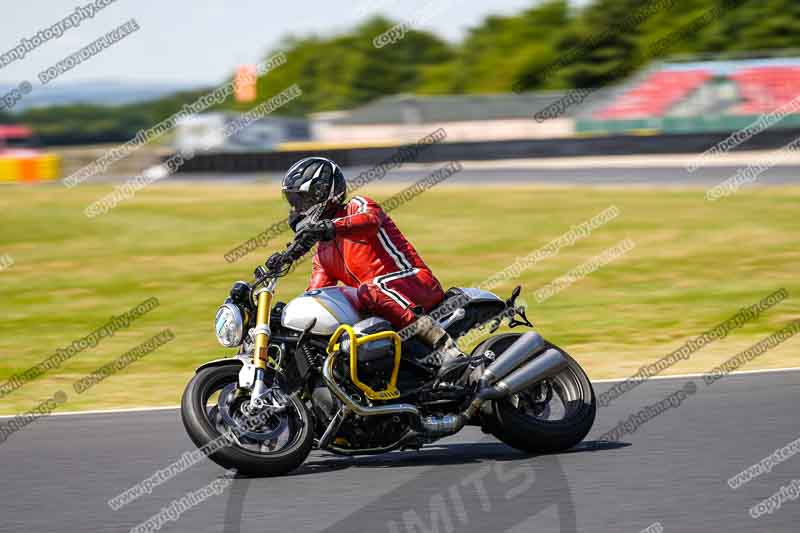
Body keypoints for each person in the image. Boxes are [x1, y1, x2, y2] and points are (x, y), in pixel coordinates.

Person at [280, 156, 465, 378]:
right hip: (379, 302)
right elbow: (316, 295)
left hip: (416, 283)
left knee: (370, 290)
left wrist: (328, 227)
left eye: (301, 200)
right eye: (293, 202)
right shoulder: (323, 252)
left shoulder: (357, 206)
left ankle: (446, 347)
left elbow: (370, 221)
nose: (296, 209)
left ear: (322, 193)